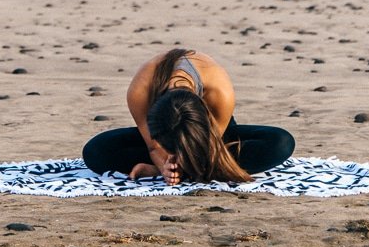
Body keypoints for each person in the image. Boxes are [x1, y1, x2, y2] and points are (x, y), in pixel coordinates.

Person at [82, 48, 295, 184]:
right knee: (96, 152)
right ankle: (198, 170)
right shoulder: (140, 91)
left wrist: (175, 164)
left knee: (281, 143)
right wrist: (164, 164)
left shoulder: (219, 90)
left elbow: (212, 145)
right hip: (163, 135)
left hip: (210, 137)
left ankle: (193, 166)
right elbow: (153, 146)